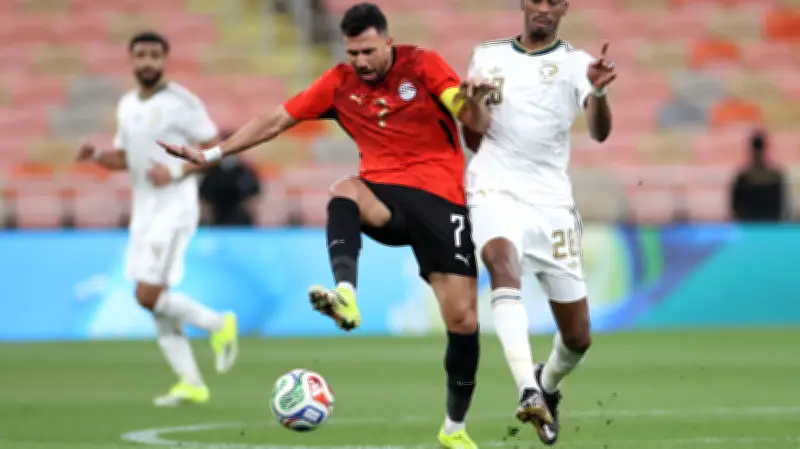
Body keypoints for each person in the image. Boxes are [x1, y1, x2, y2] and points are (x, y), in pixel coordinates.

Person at [157, 3, 494, 447]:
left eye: (368, 51)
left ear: (388, 43)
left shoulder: (422, 63)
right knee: (343, 191)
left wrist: (472, 99)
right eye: (353, 53)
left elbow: (460, 108)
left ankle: (454, 429)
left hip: (440, 200)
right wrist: (212, 154)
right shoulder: (339, 83)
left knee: (463, 322)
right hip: (383, 196)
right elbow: (276, 119)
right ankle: (346, 295)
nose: (361, 62)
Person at [461, 0, 617, 444]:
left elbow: (600, 133)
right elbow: (473, 135)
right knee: (501, 263)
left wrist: (598, 93)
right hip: (494, 186)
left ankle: (546, 384)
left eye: (554, 1)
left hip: (551, 203)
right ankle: (527, 390)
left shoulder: (576, 64)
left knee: (578, 337)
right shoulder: (487, 56)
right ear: (523, 3)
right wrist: (472, 103)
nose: (544, 8)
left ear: (565, 8)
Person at [76, 31, 239, 407]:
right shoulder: (127, 105)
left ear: (164, 60)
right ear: (131, 60)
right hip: (144, 212)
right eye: (141, 55)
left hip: (175, 209)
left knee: (147, 294)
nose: (147, 61)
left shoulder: (182, 102)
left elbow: (214, 149)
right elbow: (126, 158)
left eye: (154, 54)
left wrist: (177, 172)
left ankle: (218, 324)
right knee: (153, 299)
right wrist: (97, 156)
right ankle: (191, 382)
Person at [199, 131, 262, 226]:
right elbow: (204, 197)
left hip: (242, 222)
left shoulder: (244, 172)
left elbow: (254, 196)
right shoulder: (212, 172)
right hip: (217, 221)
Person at [730, 130, 785, 222]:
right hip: (753, 226)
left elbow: (780, 209)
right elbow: (735, 209)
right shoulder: (743, 178)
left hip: (766, 226)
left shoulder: (775, 177)